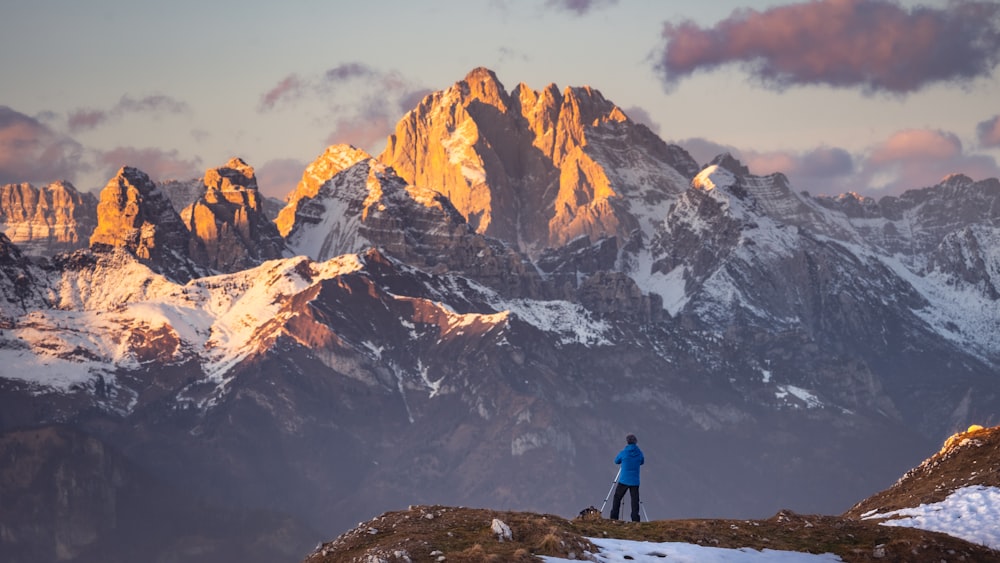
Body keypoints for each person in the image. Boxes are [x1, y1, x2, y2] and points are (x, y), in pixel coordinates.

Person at [610, 433, 644, 522]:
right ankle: (635, 519)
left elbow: (616, 461)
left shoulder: (623, 452)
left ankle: (614, 517)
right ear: (635, 442)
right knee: (634, 500)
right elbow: (642, 461)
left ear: (627, 442)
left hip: (624, 480)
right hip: (635, 481)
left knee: (617, 497)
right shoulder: (639, 453)